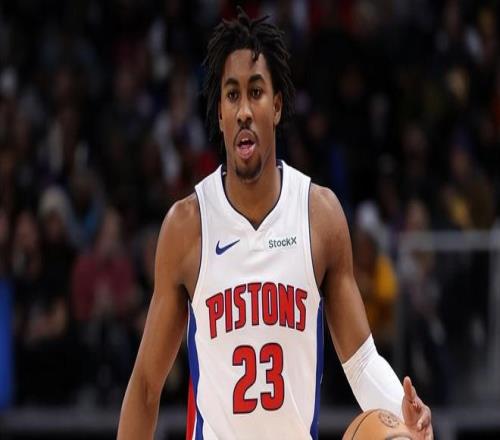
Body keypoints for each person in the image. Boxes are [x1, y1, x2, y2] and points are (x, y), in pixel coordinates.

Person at [118, 9, 433, 440]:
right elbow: (146, 386)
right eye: (232, 95)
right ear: (220, 114)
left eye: (256, 92)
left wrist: (404, 410)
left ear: (278, 106)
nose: (244, 110)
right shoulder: (188, 226)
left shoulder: (319, 215)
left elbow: (361, 364)